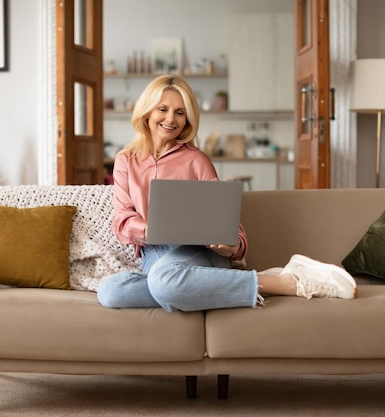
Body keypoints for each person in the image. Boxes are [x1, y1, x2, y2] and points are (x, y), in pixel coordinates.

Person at [97, 74, 356, 312]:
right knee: (111, 292)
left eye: (180, 112)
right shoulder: (126, 161)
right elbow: (122, 223)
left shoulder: (197, 161)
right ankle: (224, 285)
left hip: (198, 253)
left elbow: (233, 232)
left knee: (164, 281)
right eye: (162, 109)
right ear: (146, 112)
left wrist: (232, 245)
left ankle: (286, 283)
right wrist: (157, 229)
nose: (170, 119)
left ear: (188, 119)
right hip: (154, 258)